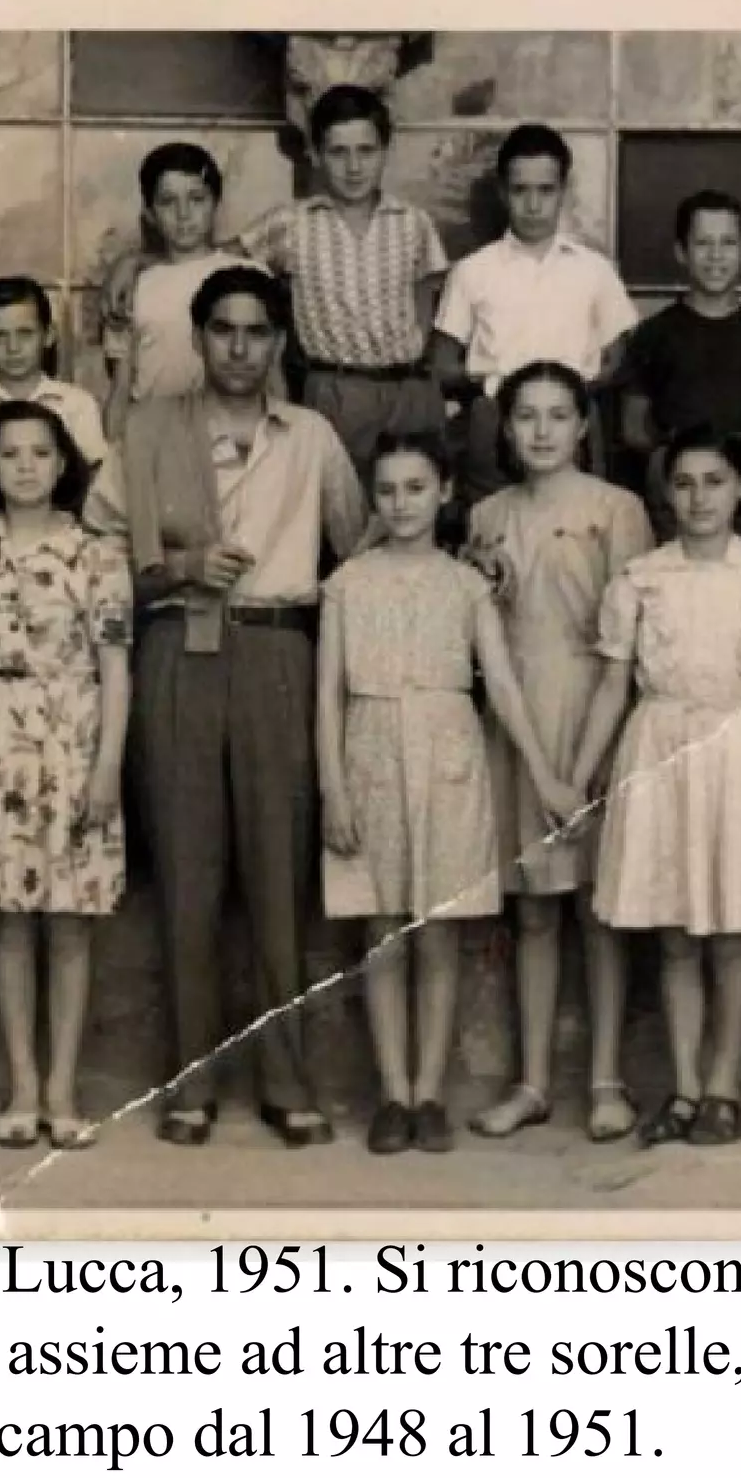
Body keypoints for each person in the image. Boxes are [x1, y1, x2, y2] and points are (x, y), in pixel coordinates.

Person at [85, 265, 369, 1150]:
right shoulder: (147, 430)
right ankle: (191, 1081)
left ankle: (288, 1080)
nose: (240, 347)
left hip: (281, 650)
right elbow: (100, 561)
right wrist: (175, 569)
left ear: (280, 341)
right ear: (199, 338)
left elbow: (358, 553)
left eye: (257, 331)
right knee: (189, 873)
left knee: (279, 879)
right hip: (178, 651)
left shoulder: (313, 436)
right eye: (223, 330)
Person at [317, 434, 579, 1155]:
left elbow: (501, 684)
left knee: (438, 928)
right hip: (369, 749)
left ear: (445, 493)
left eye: (416, 487)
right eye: (388, 489)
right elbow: (326, 696)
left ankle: (429, 1091)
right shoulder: (348, 583)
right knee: (381, 929)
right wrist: (333, 788)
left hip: (447, 750)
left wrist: (544, 774)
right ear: (374, 499)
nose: (402, 502)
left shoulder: (465, 585)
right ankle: (392, 1091)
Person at [569, 426, 741, 1147]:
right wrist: (585, 774)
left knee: (733, 932)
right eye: (683, 483)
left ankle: (723, 1087)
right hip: (660, 748)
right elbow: (613, 685)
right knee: (676, 933)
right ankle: (681, 1087)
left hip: (736, 746)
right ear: (666, 492)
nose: (699, 497)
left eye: (714, 480)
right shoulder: (642, 578)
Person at [465, 360, 654, 1145]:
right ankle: (534, 1081)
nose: (541, 431)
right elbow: (484, 637)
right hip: (517, 717)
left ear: (583, 426)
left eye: (557, 415)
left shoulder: (619, 509)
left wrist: (581, 765)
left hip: (595, 712)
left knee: (598, 911)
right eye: (526, 416)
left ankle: (606, 1079)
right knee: (535, 910)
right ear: (506, 429)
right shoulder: (486, 514)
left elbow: (631, 641)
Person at [0, 403, 133, 1152]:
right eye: (9, 453)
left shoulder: (97, 554)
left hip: (73, 743)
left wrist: (108, 768)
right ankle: (22, 1086)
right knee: (10, 921)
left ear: (63, 465)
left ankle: (63, 1087)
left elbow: (117, 671)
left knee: (69, 923)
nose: (25, 465)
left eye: (40, 452)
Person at [232, 84, 449, 479]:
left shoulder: (414, 223)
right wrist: (136, 260)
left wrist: (419, 372)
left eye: (366, 151)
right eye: (338, 152)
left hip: (411, 390)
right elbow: (213, 262)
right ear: (314, 155)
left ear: (385, 152)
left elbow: (426, 301)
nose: (354, 167)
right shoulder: (290, 223)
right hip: (336, 390)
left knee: (415, 509)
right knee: (338, 511)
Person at [429, 123, 639, 511]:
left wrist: (569, 390)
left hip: (569, 418)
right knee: (493, 531)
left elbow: (618, 357)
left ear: (563, 191)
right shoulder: (473, 270)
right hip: (496, 420)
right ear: (502, 192)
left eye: (546, 190)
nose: (533, 204)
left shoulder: (595, 270)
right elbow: (443, 365)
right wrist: (492, 377)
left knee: (575, 528)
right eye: (520, 190)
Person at [621, 190, 741, 544]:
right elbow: (632, 427)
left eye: (728, 243)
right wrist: (676, 462)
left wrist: (737, 471)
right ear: (681, 252)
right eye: (703, 243)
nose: (716, 255)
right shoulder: (653, 334)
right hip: (677, 480)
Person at [100, 142, 240, 441]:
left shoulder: (245, 276)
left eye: (196, 199)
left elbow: (272, 380)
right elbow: (121, 387)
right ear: (150, 212)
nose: (183, 214)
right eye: (167, 202)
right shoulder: (130, 287)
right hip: (152, 433)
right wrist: (112, 455)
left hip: (228, 433)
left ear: (216, 203)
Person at [0, 276, 110, 478]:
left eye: (25, 334)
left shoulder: (77, 405)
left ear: (48, 335)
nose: (13, 348)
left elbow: (95, 479)